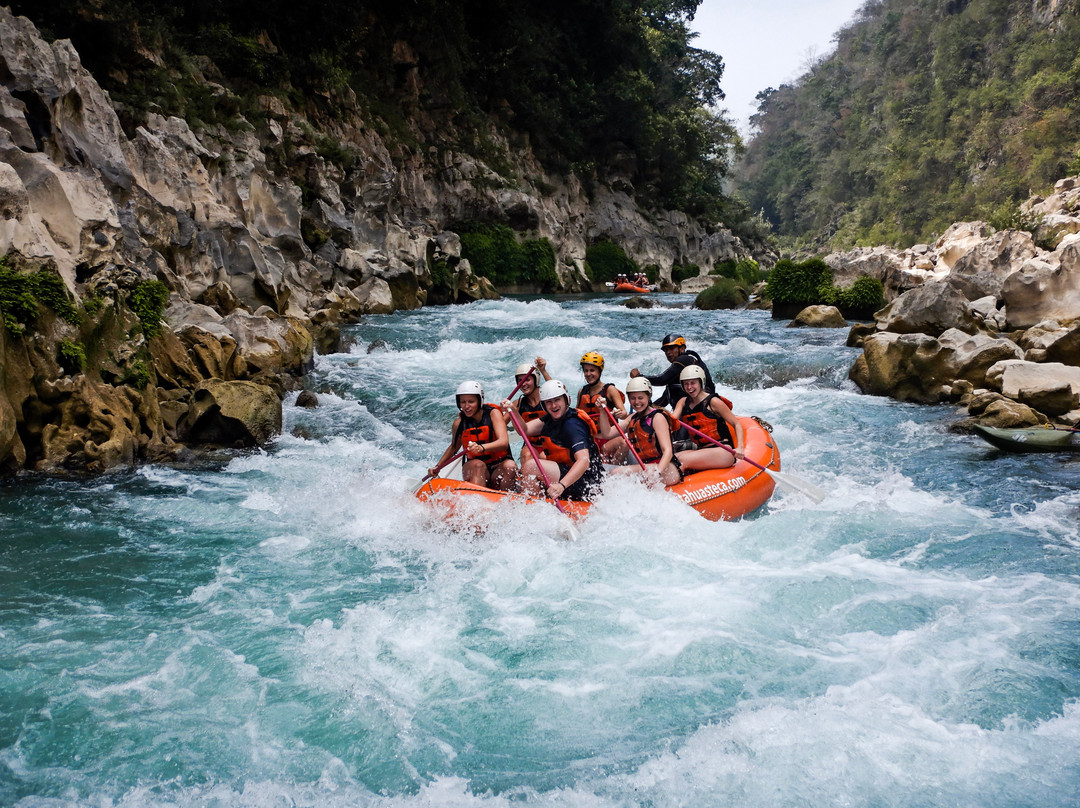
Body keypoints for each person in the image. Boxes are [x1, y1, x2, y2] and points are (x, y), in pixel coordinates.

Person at [508, 379, 605, 501]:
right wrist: (513, 411)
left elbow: (584, 461)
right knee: (532, 469)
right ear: (544, 405)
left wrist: (561, 485)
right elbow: (525, 430)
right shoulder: (550, 419)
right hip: (572, 477)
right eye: (549, 402)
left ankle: (537, 505)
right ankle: (535, 505)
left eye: (557, 400)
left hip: (589, 484)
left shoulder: (573, 425)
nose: (553, 406)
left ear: (567, 400)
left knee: (531, 466)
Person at [429, 380, 516, 490]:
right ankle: (476, 502)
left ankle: (506, 501)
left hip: (498, 467)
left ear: (479, 401)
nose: (466, 406)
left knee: (510, 466)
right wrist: (437, 467)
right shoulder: (458, 424)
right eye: (463, 402)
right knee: (478, 465)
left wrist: (481, 448)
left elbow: (503, 442)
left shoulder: (493, 414)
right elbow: (453, 448)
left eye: (471, 401)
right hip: (474, 469)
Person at [598, 377, 681, 486]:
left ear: (648, 396)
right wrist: (602, 410)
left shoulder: (657, 417)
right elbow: (607, 433)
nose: (637, 402)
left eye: (640, 398)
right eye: (633, 398)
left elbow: (668, 451)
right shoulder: (632, 418)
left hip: (667, 470)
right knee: (601, 470)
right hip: (646, 466)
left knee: (616, 473)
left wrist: (657, 473)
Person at [671, 365, 744, 472]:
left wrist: (740, 447)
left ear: (701, 382)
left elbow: (736, 424)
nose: (689, 387)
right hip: (702, 451)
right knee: (672, 459)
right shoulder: (682, 402)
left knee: (679, 460)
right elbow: (671, 422)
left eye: (693, 383)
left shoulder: (713, 402)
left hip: (723, 451)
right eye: (686, 384)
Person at [629, 334, 715, 409]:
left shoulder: (685, 359)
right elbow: (666, 397)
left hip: (704, 406)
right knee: (671, 387)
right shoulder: (680, 370)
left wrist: (639, 377)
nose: (668, 352)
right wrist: (649, 408)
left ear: (682, 348)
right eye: (666, 350)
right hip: (695, 405)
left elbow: (662, 379)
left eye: (672, 348)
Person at [575, 351, 626, 460]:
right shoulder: (581, 392)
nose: (588, 374)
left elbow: (624, 414)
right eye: (586, 371)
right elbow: (577, 417)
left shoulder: (610, 390)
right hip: (590, 440)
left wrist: (618, 413)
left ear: (600, 370)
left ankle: (614, 471)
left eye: (592, 370)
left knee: (624, 443)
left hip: (608, 440)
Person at [504, 358, 551, 460]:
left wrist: (543, 370)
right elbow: (501, 424)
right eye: (520, 381)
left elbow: (556, 389)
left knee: (545, 456)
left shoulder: (548, 398)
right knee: (527, 454)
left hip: (550, 445)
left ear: (536, 380)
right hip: (531, 447)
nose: (523, 384)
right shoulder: (517, 404)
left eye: (527, 380)